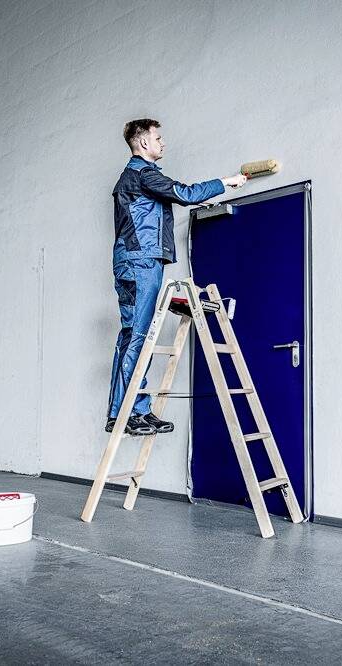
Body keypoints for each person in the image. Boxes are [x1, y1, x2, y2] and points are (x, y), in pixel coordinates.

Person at [106, 119, 247, 435]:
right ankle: (130, 411)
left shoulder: (134, 178)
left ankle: (129, 411)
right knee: (138, 336)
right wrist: (227, 182)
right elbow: (184, 193)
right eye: (158, 137)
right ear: (143, 143)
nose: (163, 142)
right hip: (141, 261)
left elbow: (157, 207)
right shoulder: (143, 173)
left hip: (136, 259)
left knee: (132, 335)